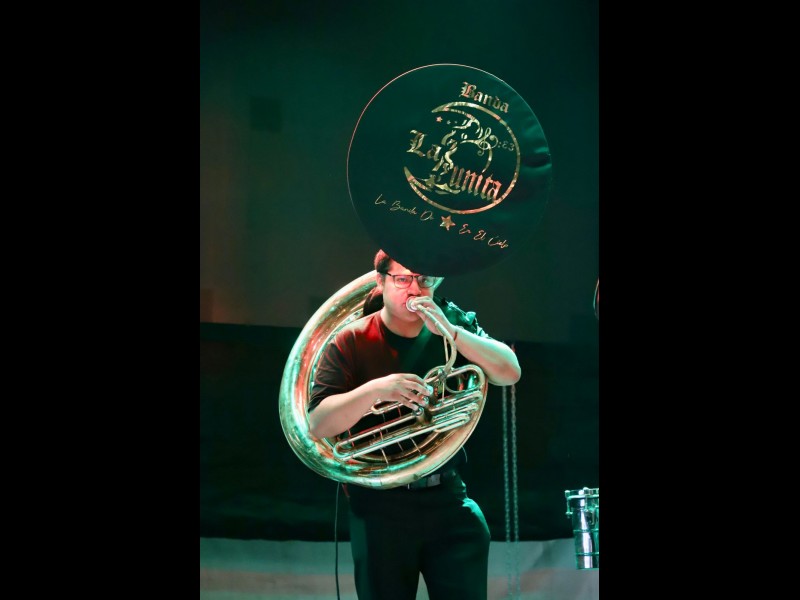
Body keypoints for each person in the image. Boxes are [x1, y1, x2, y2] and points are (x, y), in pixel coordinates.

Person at [307, 249, 521, 600]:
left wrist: (452, 333)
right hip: (380, 507)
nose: (416, 289)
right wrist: (377, 390)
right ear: (380, 282)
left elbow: (510, 372)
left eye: (424, 280)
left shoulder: (450, 320)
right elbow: (318, 424)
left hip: (447, 495)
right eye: (403, 279)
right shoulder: (351, 339)